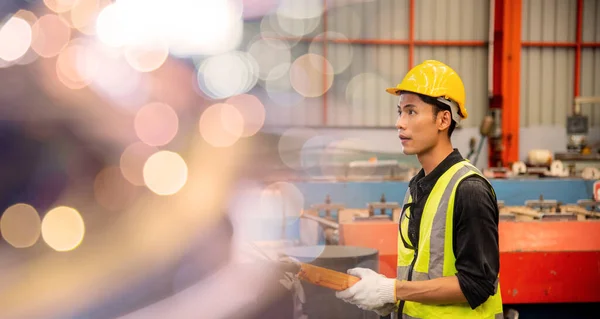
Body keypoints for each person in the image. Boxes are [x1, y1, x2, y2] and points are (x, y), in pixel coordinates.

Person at [335, 60, 503, 319]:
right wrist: (389, 297)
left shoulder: (469, 190)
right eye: (399, 112)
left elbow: (478, 284)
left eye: (411, 112)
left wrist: (393, 291)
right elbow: (423, 272)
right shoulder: (419, 185)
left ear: (443, 119)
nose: (400, 123)